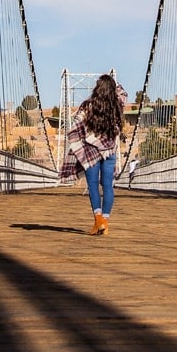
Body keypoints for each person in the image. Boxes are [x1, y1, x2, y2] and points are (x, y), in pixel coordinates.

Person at [59, 73, 127, 236]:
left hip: (90, 150)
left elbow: (76, 125)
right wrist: (112, 84)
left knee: (93, 186)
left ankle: (98, 221)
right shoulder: (117, 104)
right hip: (109, 150)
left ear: (97, 89)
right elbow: (123, 93)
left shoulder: (87, 106)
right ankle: (105, 221)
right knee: (108, 186)